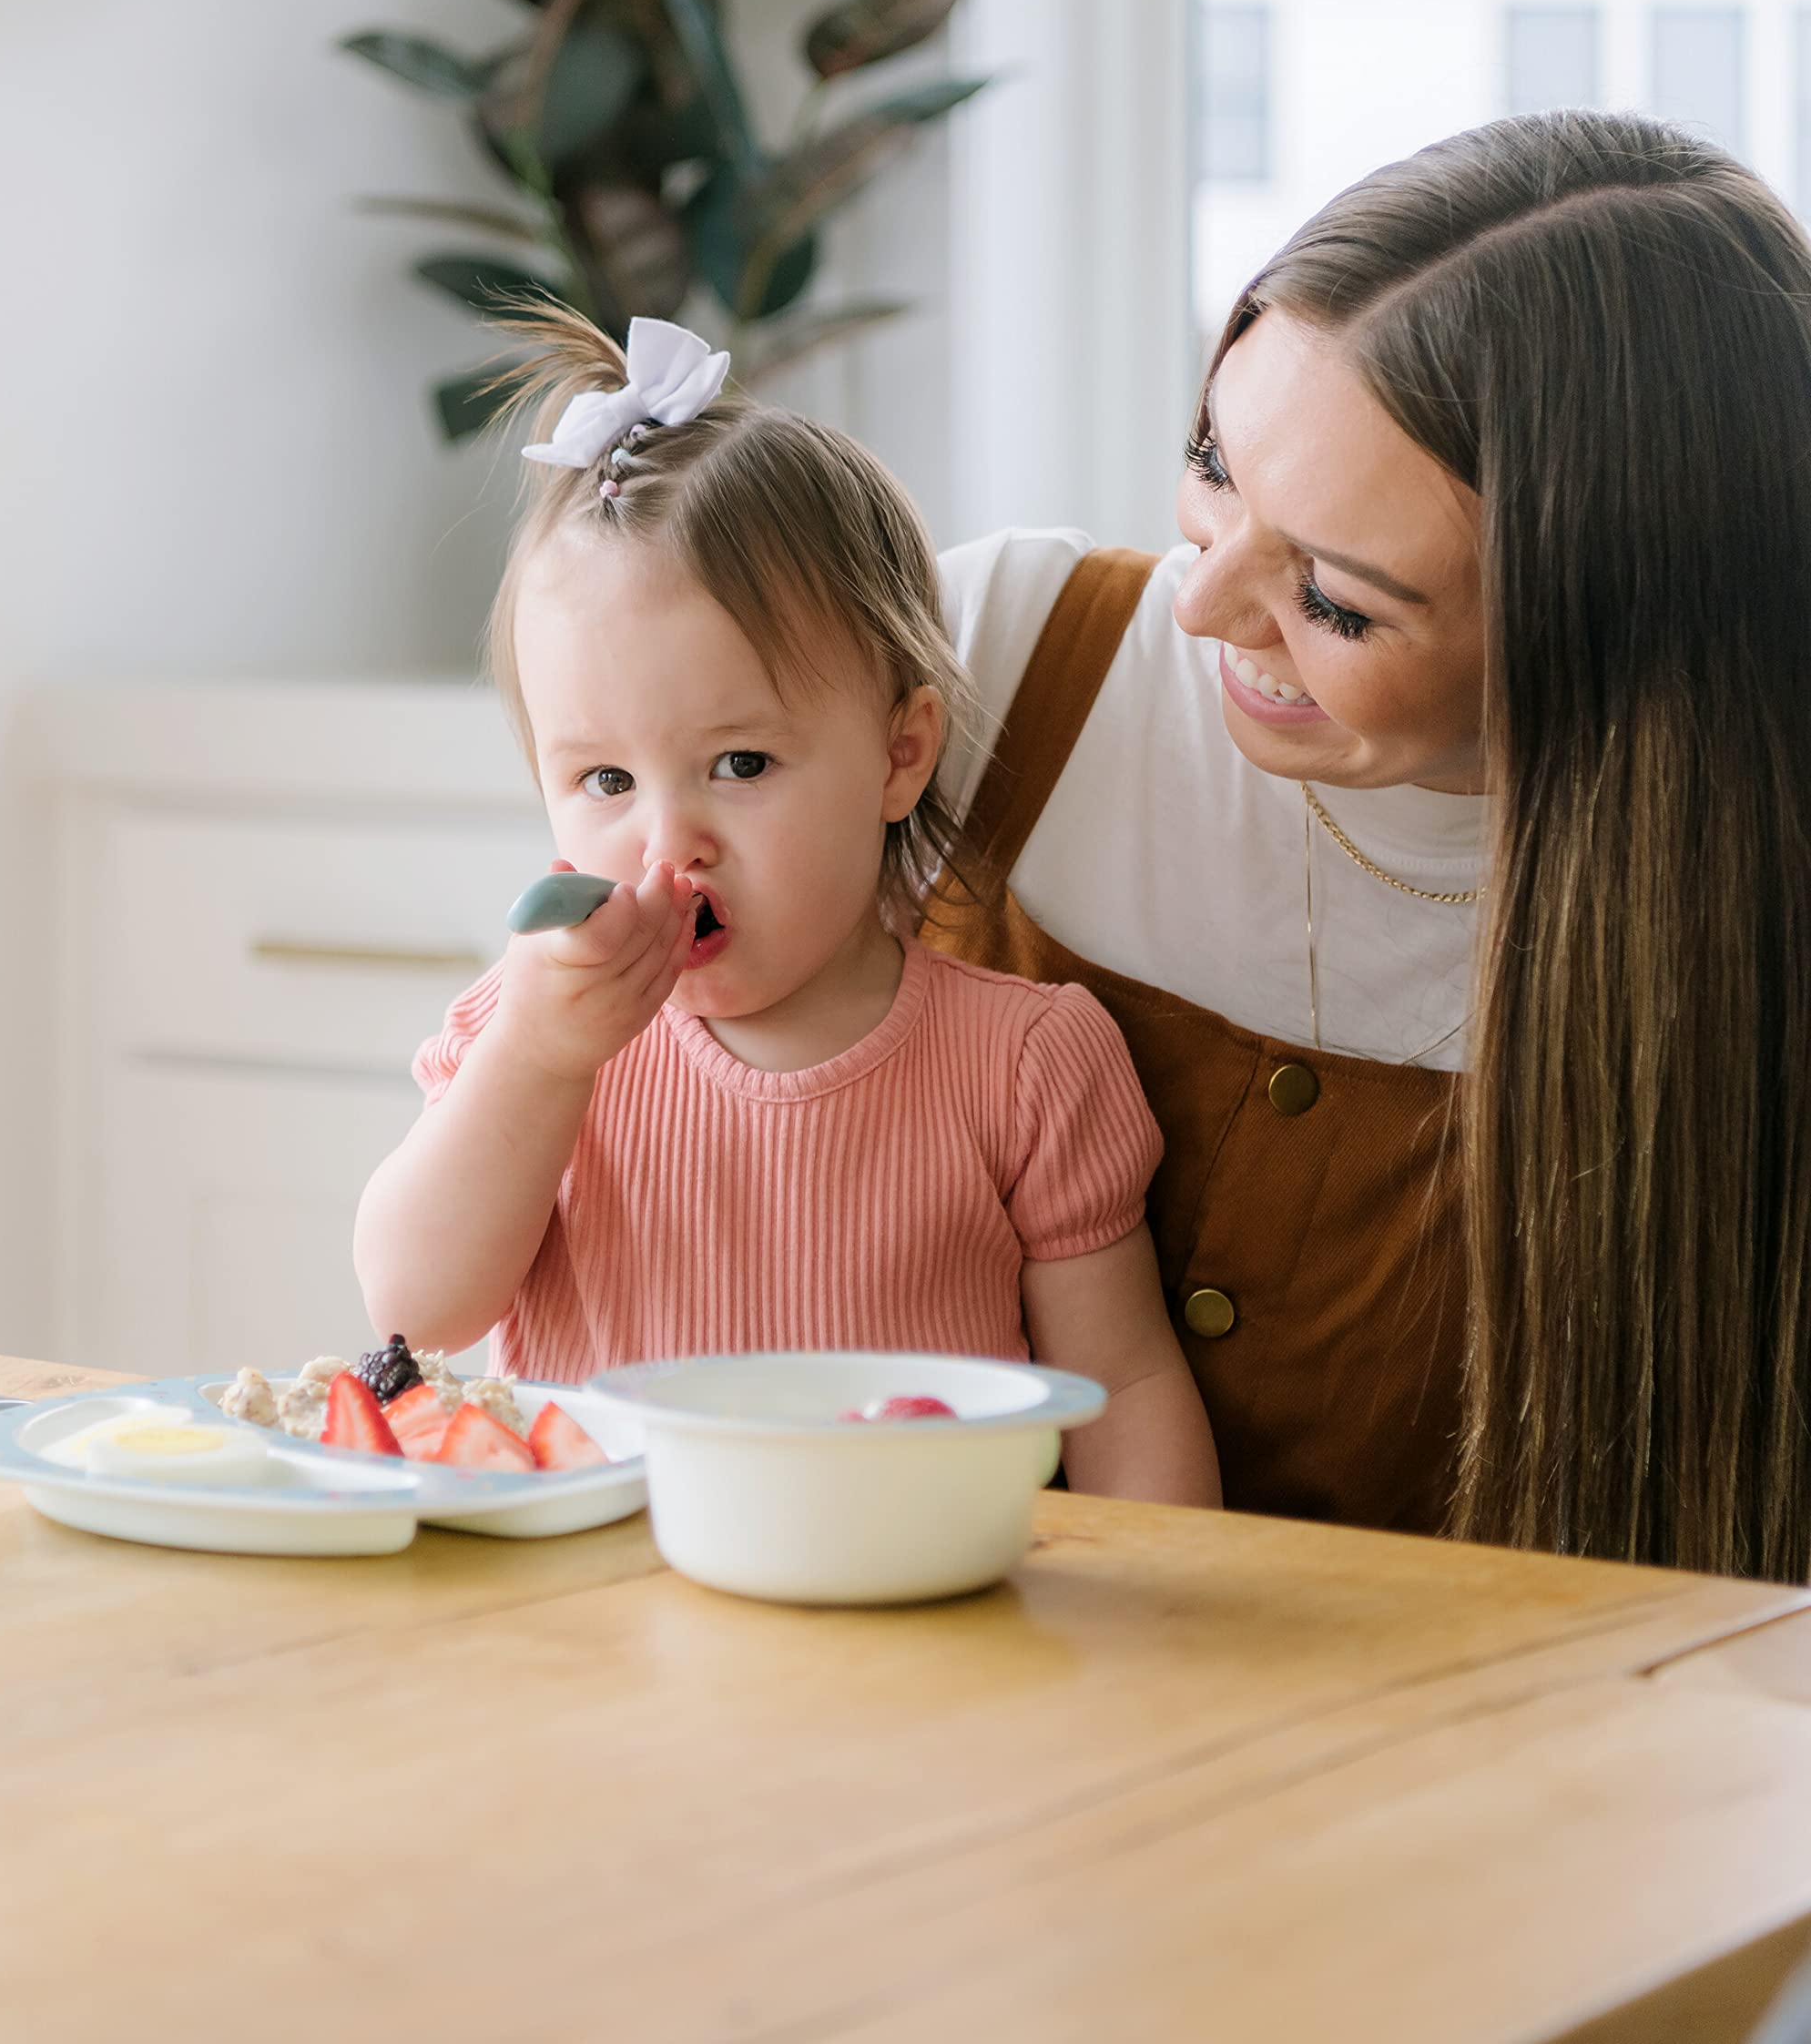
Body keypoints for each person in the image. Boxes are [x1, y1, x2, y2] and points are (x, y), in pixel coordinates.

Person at [930, 108, 1811, 1581]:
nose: (1198, 606)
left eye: (1335, 602)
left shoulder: (1749, 927)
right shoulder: (987, 660)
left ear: (1599, 642)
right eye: (1213, 459)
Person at [353, 311, 1220, 1507]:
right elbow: (416, 1308)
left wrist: (1161, 1637)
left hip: (912, 1615)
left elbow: (1119, 1387)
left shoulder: (1026, 1063)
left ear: (899, 756)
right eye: (605, 781)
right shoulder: (536, 1037)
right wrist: (540, 1057)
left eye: (743, 764)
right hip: (594, 1620)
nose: (669, 842)